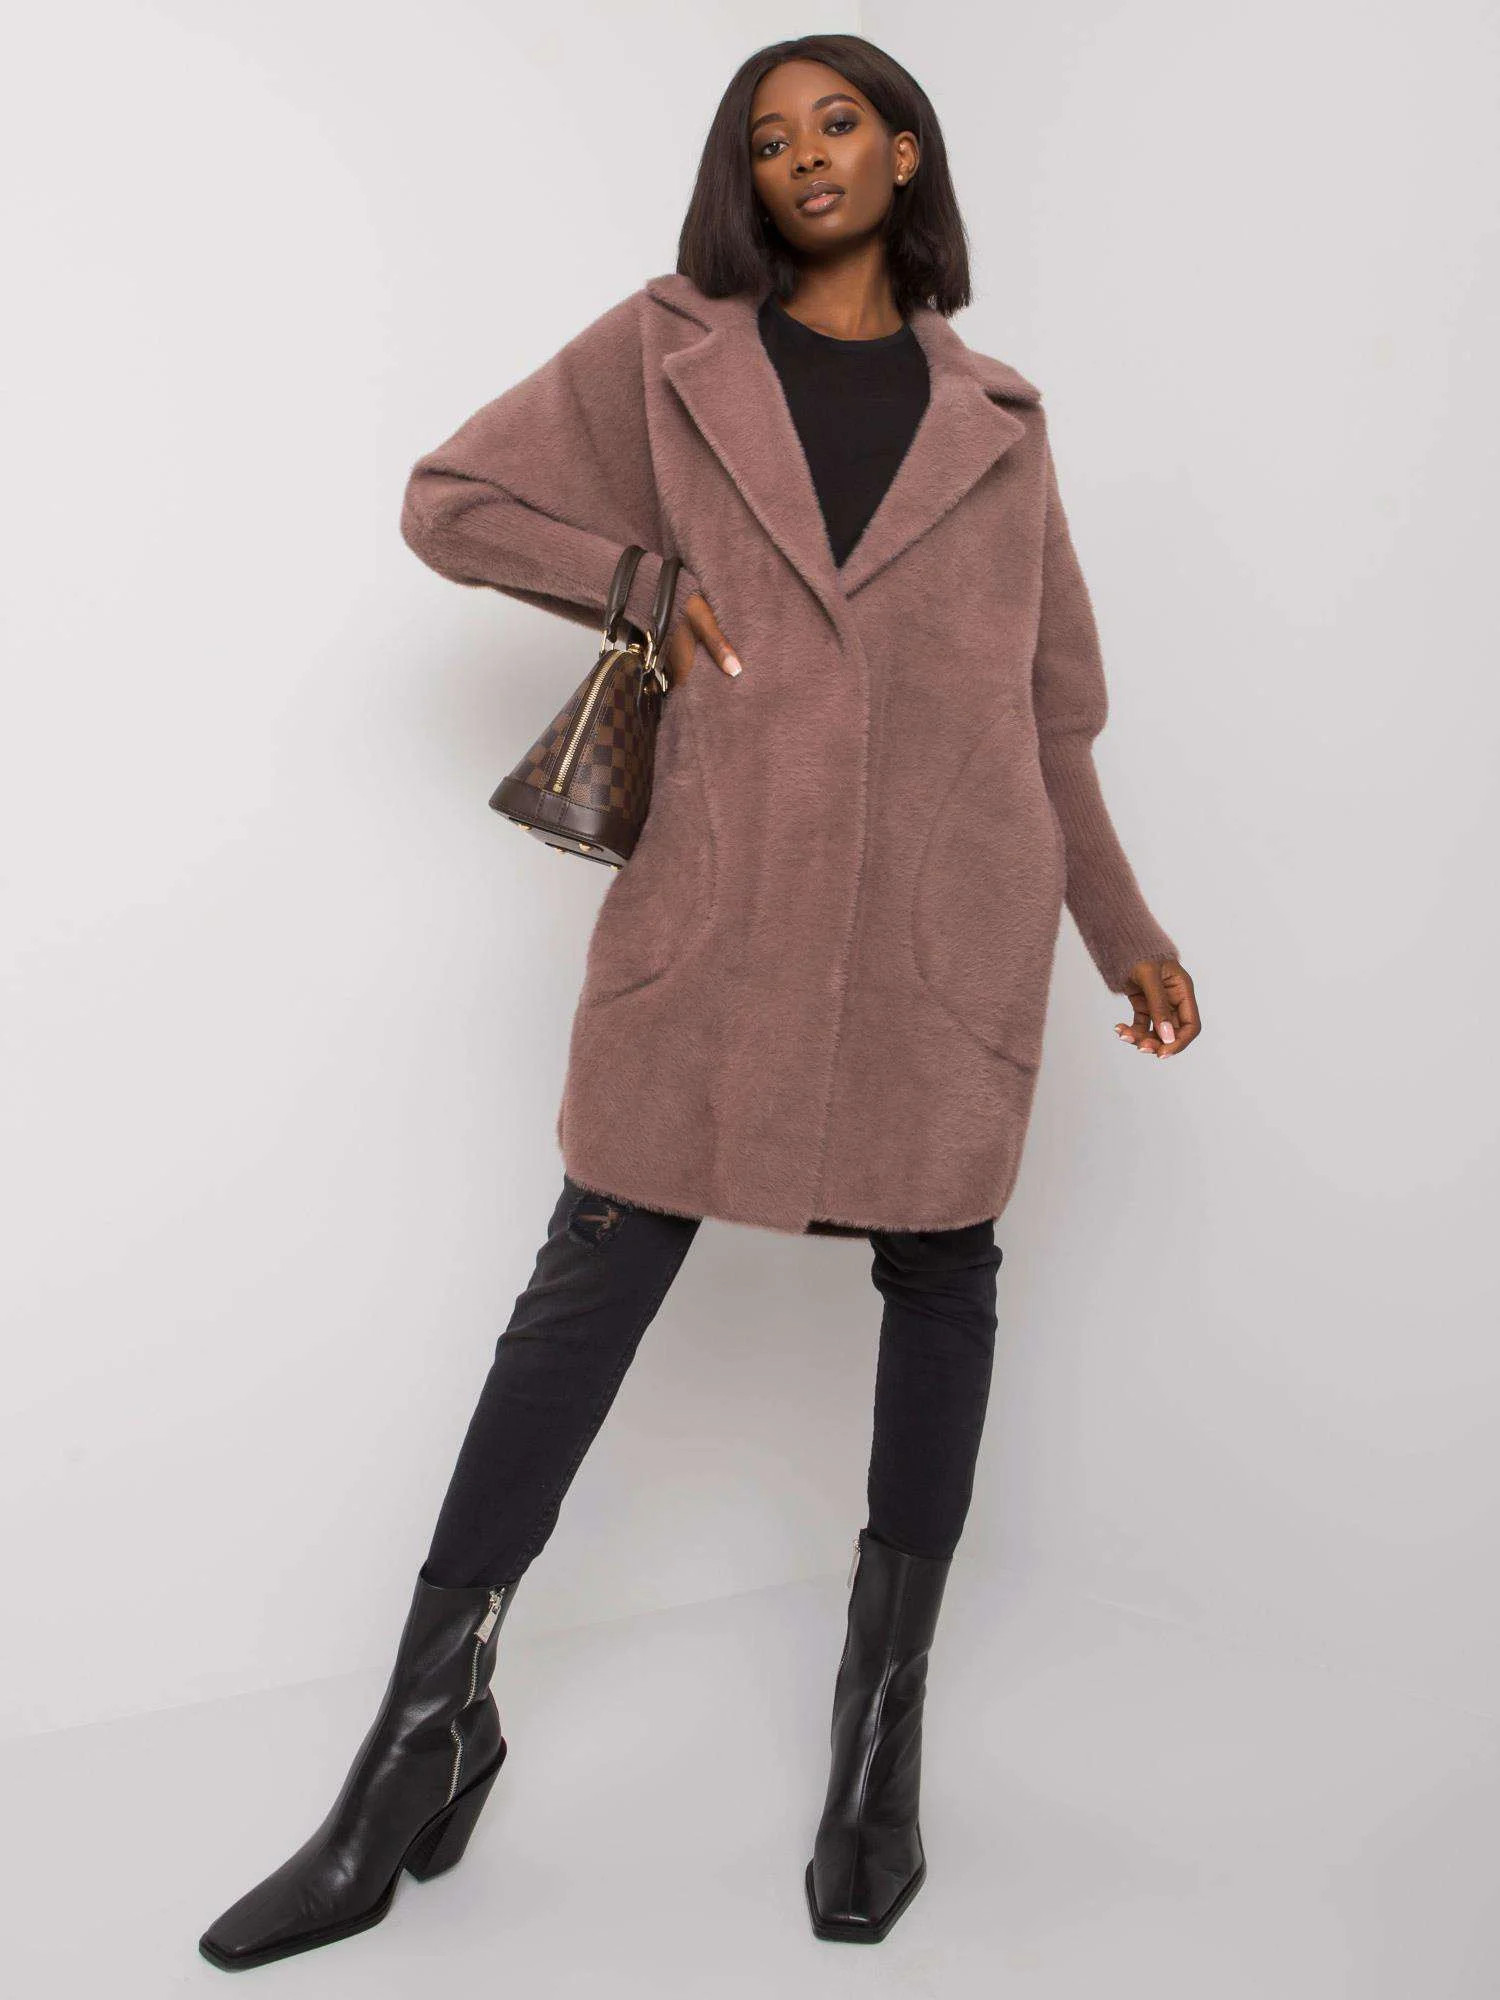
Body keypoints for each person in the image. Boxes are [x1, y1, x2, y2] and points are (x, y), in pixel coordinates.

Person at [199, 31, 1200, 1972]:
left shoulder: (1001, 420)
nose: (803, 154)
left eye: (839, 122)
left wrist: (1125, 928)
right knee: (590, 1273)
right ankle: (416, 1743)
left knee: (943, 1275)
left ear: (904, 155)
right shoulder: (670, 351)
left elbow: (1053, 715)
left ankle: (877, 1759)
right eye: (767, 137)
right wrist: (640, 580)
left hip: (944, 927)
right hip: (721, 914)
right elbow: (449, 500)